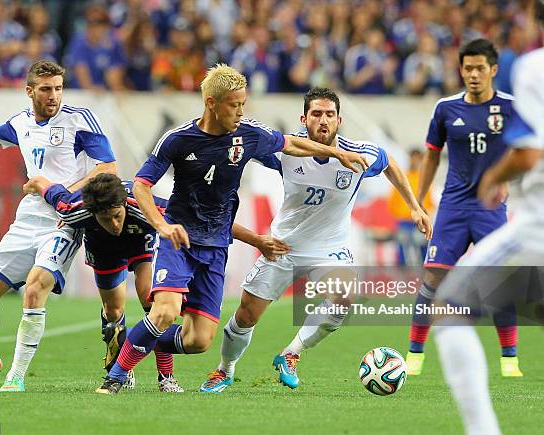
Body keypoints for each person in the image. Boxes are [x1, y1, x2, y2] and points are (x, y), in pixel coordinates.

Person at [96, 64, 369, 395]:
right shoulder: (178, 139)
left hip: (215, 248)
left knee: (199, 341)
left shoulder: (249, 134)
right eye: (234, 105)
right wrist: (162, 227)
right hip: (179, 240)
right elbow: (141, 186)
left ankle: (135, 338)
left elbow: (291, 145)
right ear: (211, 103)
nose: (241, 112)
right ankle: (116, 377)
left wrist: (336, 152)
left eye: (243, 104)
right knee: (166, 311)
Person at [200, 87, 432, 392]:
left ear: (339, 120)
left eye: (329, 115)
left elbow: (390, 164)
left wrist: (415, 207)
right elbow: (243, 147)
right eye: (316, 114)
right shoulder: (284, 151)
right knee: (246, 314)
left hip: (330, 249)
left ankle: (290, 354)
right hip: (283, 245)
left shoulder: (360, 154)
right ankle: (225, 370)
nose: (323, 121)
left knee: (343, 298)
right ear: (304, 119)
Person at [0, 60, 117, 392]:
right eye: (45, 89)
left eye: (58, 88)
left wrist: (62, 194)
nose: (53, 95)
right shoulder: (20, 123)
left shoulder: (79, 120)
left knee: (33, 289)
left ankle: (16, 375)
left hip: (65, 219)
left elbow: (109, 167)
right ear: (29, 91)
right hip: (27, 219)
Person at [433, 22, 544, 435]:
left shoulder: (534, 68)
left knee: (450, 308)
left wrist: (494, 177)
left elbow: (529, 153)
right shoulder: (450, 108)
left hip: (538, 224)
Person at [405, 38, 523, 378]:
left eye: (480, 69)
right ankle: (415, 354)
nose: (473, 74)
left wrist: (505, 180)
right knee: (433, 277)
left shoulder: (511, 107)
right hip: (453, 206)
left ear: (493, 70)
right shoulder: (445, 109)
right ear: (461, 70)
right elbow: (431, 155)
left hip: (491, 208)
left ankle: (509, 358)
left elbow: (525, 149)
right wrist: (418, 202)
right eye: (468, 68)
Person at [22, 173, 182, 392]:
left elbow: (182, 214)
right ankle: (119, 362)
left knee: (152, 302)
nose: (114, 224)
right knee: (113, 310)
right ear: (92, 213)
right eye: (106, 219)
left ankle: (166, 376)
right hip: (103, 248)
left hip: (140, 238)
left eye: (117, 215)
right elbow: (44, 184)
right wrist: (31, 184)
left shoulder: (142, 206)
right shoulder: (72, 209)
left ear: (124, 204)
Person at [388, 149, 434, 265]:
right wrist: (399, 214)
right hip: (404, 221)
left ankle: (425, 271)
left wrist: (425, 216)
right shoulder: (403, 177)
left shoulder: (424, 179)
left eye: (418, 158)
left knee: (423, 248)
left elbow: (429, 201)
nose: (415, 161)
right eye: (413, 158)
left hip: (420, 221)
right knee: (402, 248)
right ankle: (403, 274)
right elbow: (393, 200)